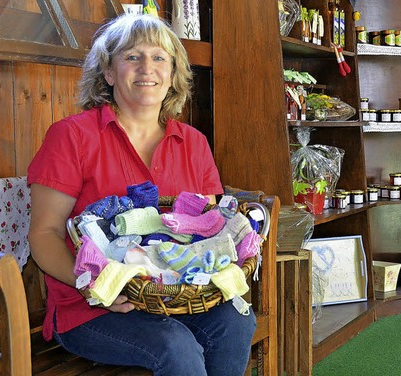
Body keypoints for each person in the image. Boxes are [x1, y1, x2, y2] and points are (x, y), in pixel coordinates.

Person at [27, 13, 256, 376]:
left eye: (159, 57)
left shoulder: (193, 142)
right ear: (108, 72)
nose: (146, 67)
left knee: (237, 322)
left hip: (175, 297)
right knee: (175, 345)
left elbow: (209, 230)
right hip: (91, 305)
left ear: (172, 73)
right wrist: (97, 286)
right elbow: (44, 233)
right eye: (132, 56)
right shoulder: (71, 136)